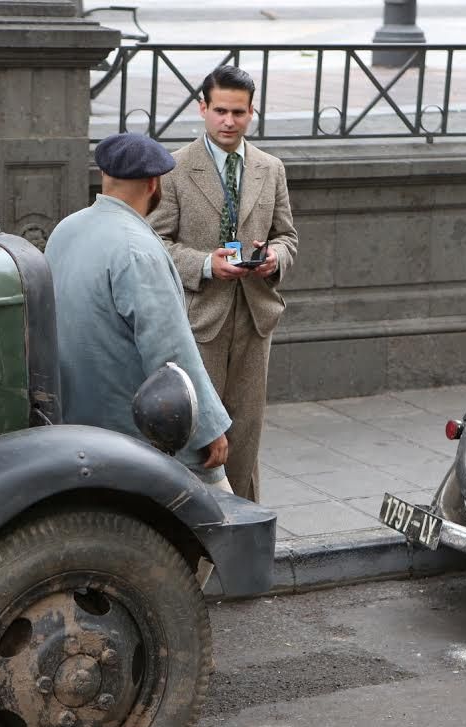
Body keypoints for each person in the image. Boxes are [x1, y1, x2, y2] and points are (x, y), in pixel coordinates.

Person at [46, 132, 232, 489]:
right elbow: (170, 352)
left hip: (73, 426)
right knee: (219, 513)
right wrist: (207, 429)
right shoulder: (137, 249)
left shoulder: (66, 229)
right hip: (133, 436)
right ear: (153, 183)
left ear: (105, 176)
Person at [149, 64, 298, 503]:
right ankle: (193, 520)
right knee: (199, 434)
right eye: (220, 111)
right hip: (199, 320)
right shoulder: (175, 168)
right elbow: (155, 242)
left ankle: (245, 520)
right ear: (203, 109)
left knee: (246, 435)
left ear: (252, 112)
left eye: (238, 112)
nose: (229, 121)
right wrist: (205, 264)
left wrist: (274, 258)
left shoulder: (270, 168)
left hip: (255, 317)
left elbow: (287, 236)